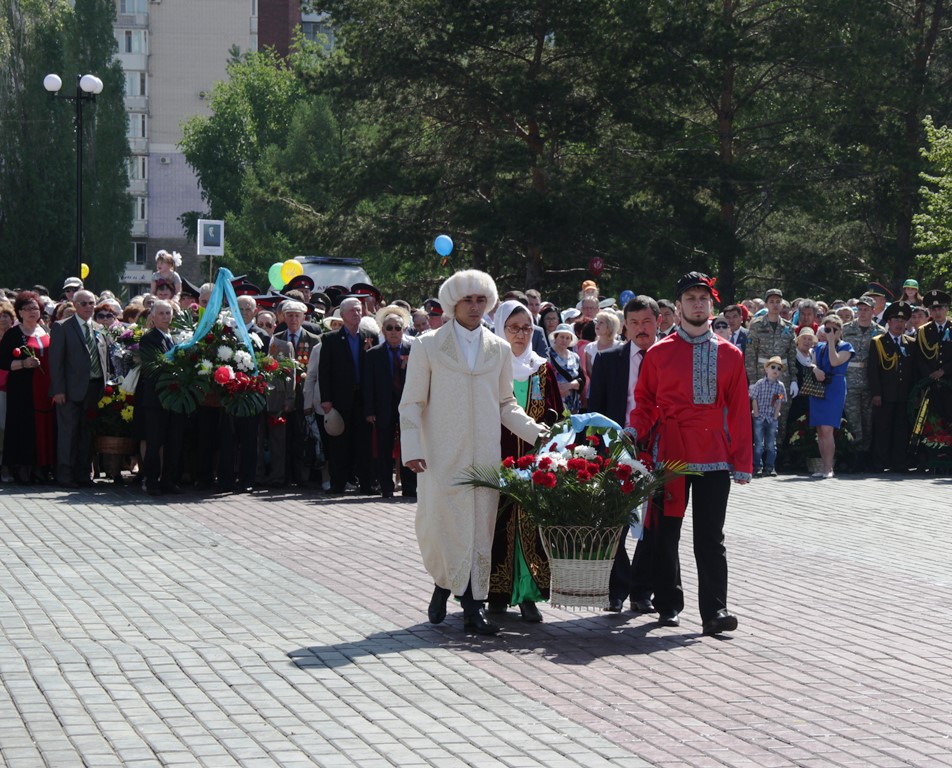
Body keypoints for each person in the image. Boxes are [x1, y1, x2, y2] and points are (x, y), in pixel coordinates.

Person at [400, 270, 547, 636]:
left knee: (481, 530)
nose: (475, 306)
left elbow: (505, 403)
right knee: (442, 527)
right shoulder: (428, 345)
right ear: (453, 302)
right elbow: (411, 403)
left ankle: (473, 607)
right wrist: (412, 448)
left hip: (484, 455)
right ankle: (441, 584)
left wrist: (538, 433)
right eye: (468, 299)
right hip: (441, 454)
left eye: (481, 300)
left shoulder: (498, 349)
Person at [629, 272, 751, 636]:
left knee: (710, 537)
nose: (698, 303)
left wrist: (742, 461)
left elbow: (740, 412)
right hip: (672, 452)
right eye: (690, 298)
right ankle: (668, 604)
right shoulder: (658, 353)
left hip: (714, 454)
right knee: (667, 532)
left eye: (703, 298)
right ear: (677, 306)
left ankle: (715, 611)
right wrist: (637, 429)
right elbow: (645, 402)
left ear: (711, 306)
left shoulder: (731, 355)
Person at [589, 295, 667, 614]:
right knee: (615, 522)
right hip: (618, 450)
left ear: (659, 322)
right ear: (625, 326)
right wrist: (596, 451)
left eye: (647, 321)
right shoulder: (609, 360)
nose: (641, 329)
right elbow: (595, 410)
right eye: (633, 323)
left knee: (654, 524)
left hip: (662, 450)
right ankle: (616, 590)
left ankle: (641, 590)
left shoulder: (670, 359)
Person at [486, 300, 563, 622]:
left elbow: (556, 414)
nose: (520, 334)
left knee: (531, 529)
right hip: (494, 462)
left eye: (526, 328)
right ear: (500, 329)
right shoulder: (489, 367)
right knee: (495, 527)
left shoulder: (542, 368)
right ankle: (496, 594)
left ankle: (528, 594)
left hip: (534, 466)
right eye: (513, 328)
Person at [48, 289, 109, 488]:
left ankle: (83, 474)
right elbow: (56, 362)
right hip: (70, 390)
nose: (89, 307)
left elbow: (103, 359)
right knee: (68, 434)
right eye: (84, 303)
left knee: (87, 434)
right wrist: (58, 390)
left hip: (94, 389)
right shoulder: (62, 327)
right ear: (74, 305)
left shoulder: (99, 328)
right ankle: (65, 475)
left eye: (92, 303)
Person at [318, 296, 376, 493]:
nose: (356, 314)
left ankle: (366, 484)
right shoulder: (331, 339)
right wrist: (326, 399)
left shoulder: (370, 336)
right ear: (342, 315)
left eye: (359, 310)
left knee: (364, 443)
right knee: (339, 444)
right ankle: (338, 484)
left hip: (363, 398)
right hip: (340, 399)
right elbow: (324, 372)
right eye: (352, 311)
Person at [0, 292, 55, 484]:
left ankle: (43, 468)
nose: (33, 312)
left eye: (36, 308)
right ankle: (23, 469)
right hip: (23, 390)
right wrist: (23, 363)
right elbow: (3, 362)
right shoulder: (14, 334)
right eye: (28, 308)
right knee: (24, 427)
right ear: (20, 312)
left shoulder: (45, 331)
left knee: (45, 426)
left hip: (45, 389)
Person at [363, 304, 415, 499]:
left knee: (409, 446)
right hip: (383, 407)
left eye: (398, 328)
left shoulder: (413, 350)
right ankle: (386, 486)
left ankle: (410, 486)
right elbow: (368, 385)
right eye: (390, 328)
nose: (394, 332)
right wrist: (369, 411)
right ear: (383, 330)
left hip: (408, 407)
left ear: (404, 330)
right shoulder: (373, 354)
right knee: (384, 449)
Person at [134, 300, 186, 495]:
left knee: (174, 441)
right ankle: (152, 480)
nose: (165, 316)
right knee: (155, 442)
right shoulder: (149, 338)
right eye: (161, 313)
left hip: (174, 398)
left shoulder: (174, 338)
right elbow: (153, 365)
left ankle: (169, 481)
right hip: (156, 399)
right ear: (153, 317)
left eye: (168, 313)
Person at [868, 302, 914, 473]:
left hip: (904, 395)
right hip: (885, 395)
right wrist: (877, 393)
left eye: (902, 320)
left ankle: (899, 462)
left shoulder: (911, 342)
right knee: (882, 429)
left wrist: (914, 394)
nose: (899, 323)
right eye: (895, 319)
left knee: (901, 430)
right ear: (888, 321)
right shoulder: (878, 342)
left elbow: (913, 371)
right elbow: (873, 370)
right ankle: (880, 462)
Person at [808, 313, 855, 478]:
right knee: (820, 429)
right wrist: (815, 369)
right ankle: (823, 466)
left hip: (835, 387)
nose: (831, 332)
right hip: (819, 387)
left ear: (840, 331)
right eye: (828, 329)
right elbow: (811, 361)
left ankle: (829, 468)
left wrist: (830, 342)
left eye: (835, 329)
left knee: (828, 428)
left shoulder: (846, 347)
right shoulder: (819, 347)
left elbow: (835, 361)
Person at [841, 296, 885, 470]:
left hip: (869, 380)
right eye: (860, 309)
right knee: (853, 419)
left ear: (873, 311)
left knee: (868, 420)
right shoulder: (846, 329)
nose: (863, 312)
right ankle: (854, 456)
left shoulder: (880, 331)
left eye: (866, 309)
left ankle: (865, 455)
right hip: (850, 378)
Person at [749, 356, 787, 477]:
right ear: (767, 369)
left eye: (779, 368)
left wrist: (776, 415)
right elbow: (754, 398)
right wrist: (756, 413)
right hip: (759, 417)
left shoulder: (780, 386)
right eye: (773, 367)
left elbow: (779, 401)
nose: (776, 370)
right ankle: (757, 466)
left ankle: (770, 467)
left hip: (772, 418)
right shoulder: (760, 383)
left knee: (771, 444)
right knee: (758, 444)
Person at [548, 323, 584, 413]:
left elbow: (581, 379)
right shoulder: (547, 355)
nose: (564, 340)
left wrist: (569, 385)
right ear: (555, 338)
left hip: (573, 404)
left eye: (568, 338)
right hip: (555, 402)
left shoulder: (575, 357)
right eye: (562, 337)